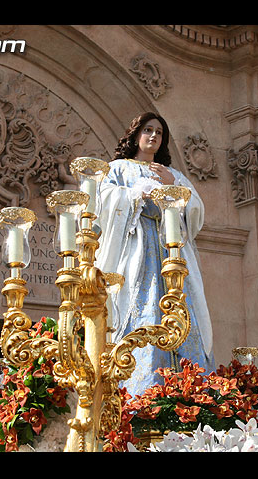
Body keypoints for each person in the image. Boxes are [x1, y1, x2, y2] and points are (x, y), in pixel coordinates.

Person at [95, 112, 214, 398]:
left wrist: (174, 183)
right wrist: (135, 195)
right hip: (135, 248)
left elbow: (196, 211)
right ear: (136, 134)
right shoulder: (118, 169)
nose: (153, 137)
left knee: (182, 309)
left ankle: (187, 390)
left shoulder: (173, 174)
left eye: (159, 133)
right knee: (140, 307)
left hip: (171, 252)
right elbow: (103, 200)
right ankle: (138, 388)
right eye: (148, 130)